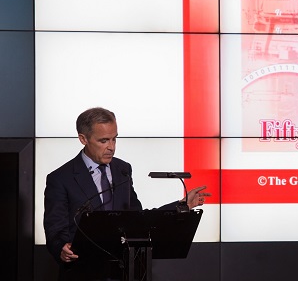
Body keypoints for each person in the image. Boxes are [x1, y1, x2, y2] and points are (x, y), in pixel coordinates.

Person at [44, 107, 211, 279]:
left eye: (114, 139)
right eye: (104, 141)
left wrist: (182, 205)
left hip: (124, 271)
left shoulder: (122, 169)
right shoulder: (61, 178)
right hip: (83, 272)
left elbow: (137, 219)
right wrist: (62, 248)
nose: (111, 147)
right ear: (83, 139)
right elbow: (55, 229)